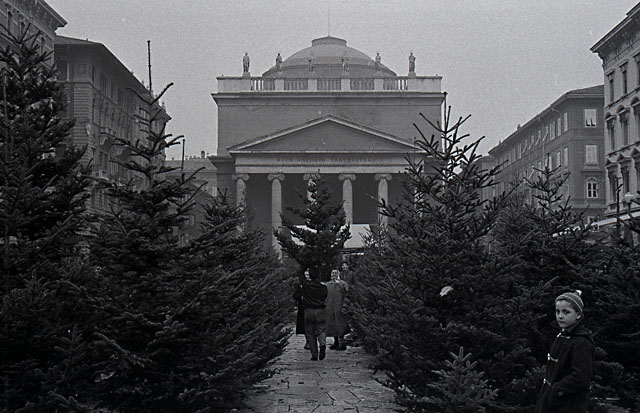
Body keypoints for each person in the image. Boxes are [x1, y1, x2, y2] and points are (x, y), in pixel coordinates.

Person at [535, 290, 594, 413]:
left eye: (566, 312)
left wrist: (556, 390)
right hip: (553, 403)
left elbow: (580, 377)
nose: (560, 316)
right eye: (558, 311)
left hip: (567, 405)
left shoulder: (581, 342)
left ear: (578, 315)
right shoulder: (563, 335)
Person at [299, 267, 328, 361]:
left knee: (310, 333)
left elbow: (300, 276)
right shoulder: (323, 287)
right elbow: (325, 297)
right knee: (321, 330)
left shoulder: (306, 286)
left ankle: (314, 354)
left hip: (309, 310)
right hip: (320, 310)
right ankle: (322, 345)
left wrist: (303, 268)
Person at [325, 268, 350, 351]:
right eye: (333, 273)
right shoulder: (328, 284)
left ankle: (342, 343)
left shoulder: (343, 283)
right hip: (330, 308)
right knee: (332, 325)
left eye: (336, 273)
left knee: (340, 325)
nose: (334, 275)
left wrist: (340, 285)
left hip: (339, 307)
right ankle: (336, 342)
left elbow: (347, 293)